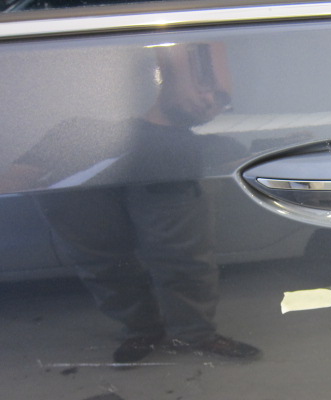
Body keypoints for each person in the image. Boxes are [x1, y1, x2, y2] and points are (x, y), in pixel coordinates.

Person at [3, 43, 261, 364]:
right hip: (82, 202)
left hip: (168, 184)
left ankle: (196, 334)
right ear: (163, 78)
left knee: (187, 265)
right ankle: (143, 331)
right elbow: (18, 176)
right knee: (107, 268)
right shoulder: (82, 129)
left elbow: (254, 164)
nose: (211, 102)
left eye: (221, 100)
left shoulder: (205, 145)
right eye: (206, 88)